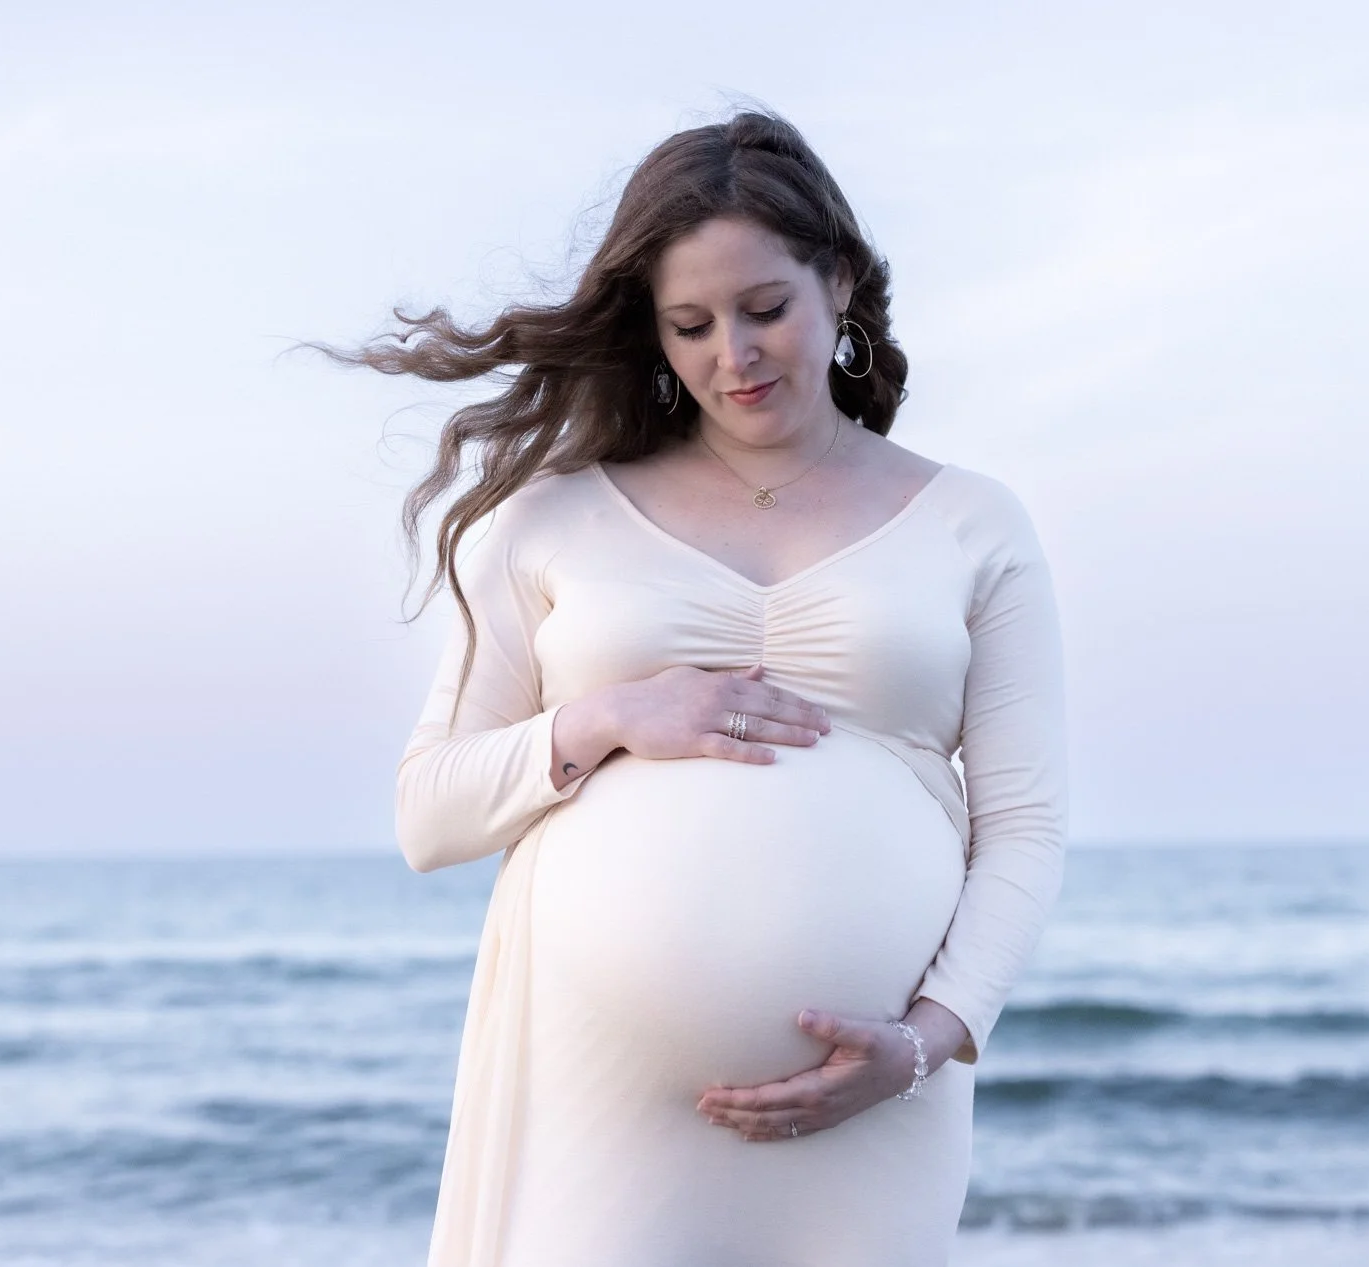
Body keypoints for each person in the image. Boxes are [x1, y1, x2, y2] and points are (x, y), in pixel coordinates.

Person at [336, 110, 1067, 1267]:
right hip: (596, 1091)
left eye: (764, 308)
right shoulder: (555, 518)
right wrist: (612, 716)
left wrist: (927, 1043)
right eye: (691, 325)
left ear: (837, 284)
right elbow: (428, 815)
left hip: (877, 1097)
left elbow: (1022, 822)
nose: (734, 354)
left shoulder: (972, 522)